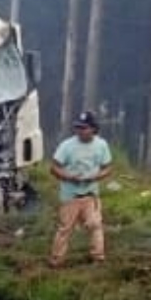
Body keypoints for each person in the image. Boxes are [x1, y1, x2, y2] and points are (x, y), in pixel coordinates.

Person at [49, 111, 114, 268]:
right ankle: (56, 260)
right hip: (70, 195)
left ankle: (98, 258)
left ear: (93, 129)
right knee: (65, 229)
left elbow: (108, 167)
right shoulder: (67, 145)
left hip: (91, 195)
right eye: (78, 127)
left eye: (84, 128)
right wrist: (69, 177)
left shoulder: (101, 145)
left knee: (95, 225)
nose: (80, 131)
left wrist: (96, 177)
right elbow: (54, 168)